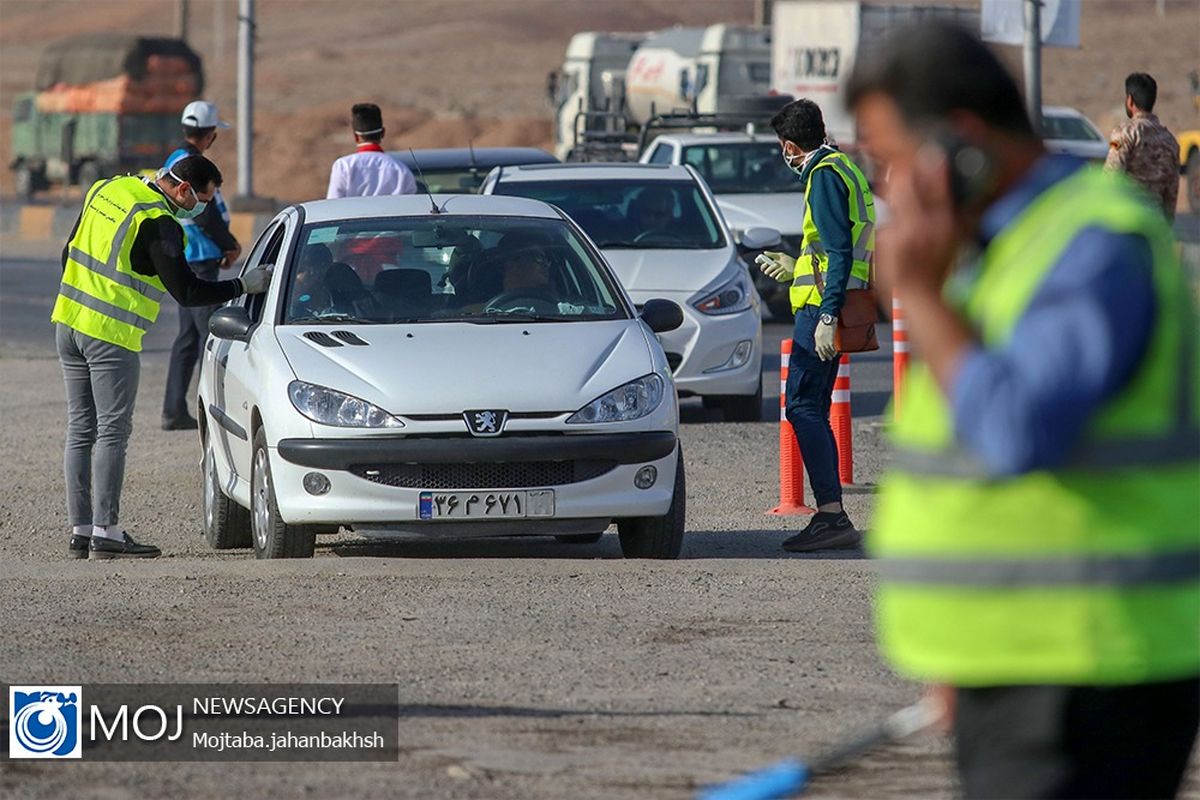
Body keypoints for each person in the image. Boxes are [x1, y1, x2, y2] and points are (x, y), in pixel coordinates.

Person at [846, 23, 1199, 799]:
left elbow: (1018, 427)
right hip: (1028, 665)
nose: (888, 190)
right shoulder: (1004, 245)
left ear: (961, 144)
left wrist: (922, 296)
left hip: (1090, 671)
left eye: (893, 161)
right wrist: (975, 660)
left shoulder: (1091, 245)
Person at [53, 155, 273, 560]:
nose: (200, 209)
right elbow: (188, 292)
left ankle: (81, 531)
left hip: (67, 324)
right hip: (110, 336)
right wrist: (243, 285)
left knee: (80, 429)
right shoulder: (159, 222)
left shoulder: (108, 187)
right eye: (201, 200)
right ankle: (106, 532)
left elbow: (68, 253)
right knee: (112, 431)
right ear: (184, 190)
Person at [755, 98, 875, 552]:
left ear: (789, 146)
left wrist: (826, 315)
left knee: (802, 408)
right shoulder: (843, 166)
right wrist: (796, 266)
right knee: (813, 410)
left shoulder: (823, 175)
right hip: (832, 302)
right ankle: (832, 514)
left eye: (782, 148)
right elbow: (830, 249)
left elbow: (840, 250)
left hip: (821, 310)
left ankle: (831, 515)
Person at [160, 100, 241, 430]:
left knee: (189, 338)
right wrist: (228, 243)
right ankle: (217, 408)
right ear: (210, 135)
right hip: (199, 257)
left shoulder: (174, 159)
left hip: (191, 256)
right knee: (212, 336)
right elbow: (204, 213)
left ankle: (174, 409)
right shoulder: (190, 164)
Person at [1105, 72, 1181, 220]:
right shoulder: (1171, 141)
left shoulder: (1123, 134)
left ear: (1130, 100)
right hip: (1154, 223)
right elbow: (1171, 194)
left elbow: (1111, 177)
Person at [326, 103, 417, 199]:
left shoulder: (343, 166)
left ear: (356, 136)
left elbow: (333, 203)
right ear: (383, 133)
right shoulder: (401, 170)